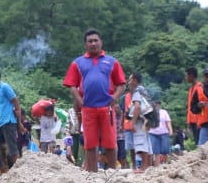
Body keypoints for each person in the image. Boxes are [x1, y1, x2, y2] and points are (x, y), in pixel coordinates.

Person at [63, 29, 126, 172]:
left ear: (101, 42)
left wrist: (113, 99)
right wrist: (79, 100)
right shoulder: (77, 63)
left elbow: (121, 85)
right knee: (90, 144)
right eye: (89, 41)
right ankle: (92, 174)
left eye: (95, 40)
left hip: (107, 108)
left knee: (110, 143)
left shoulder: (112, 62)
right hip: (88, 108)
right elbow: (71, 85)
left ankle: (111, 173)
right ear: (85, 44)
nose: (93, 43)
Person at [0, 68, 26, 177]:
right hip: (0, 123)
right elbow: (3, 105)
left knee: (12, 149)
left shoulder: (5, 87)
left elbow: (16, 104)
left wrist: (19, 123)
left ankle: (20, 173)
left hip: (9, 122)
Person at [123, 73, 150, 171]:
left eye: (130, 80)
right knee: (145, 143)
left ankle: (142, 167)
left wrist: (133, 122)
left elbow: (137, 107)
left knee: (140, 143)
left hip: (139, 121)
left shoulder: (136, 92)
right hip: (145, 121)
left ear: (134, 81)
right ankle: (145, 166)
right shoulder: (143, 91)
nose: (128, 82)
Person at [182, 66, 202, 144]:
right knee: (197, 141)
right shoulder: (191, 89)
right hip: (192, 120)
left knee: (200, 141)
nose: (186, 78)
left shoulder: (200, 87)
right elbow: (190, 106)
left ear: (191, 76)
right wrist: (189, 121)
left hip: (199, 120)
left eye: (186, 75)